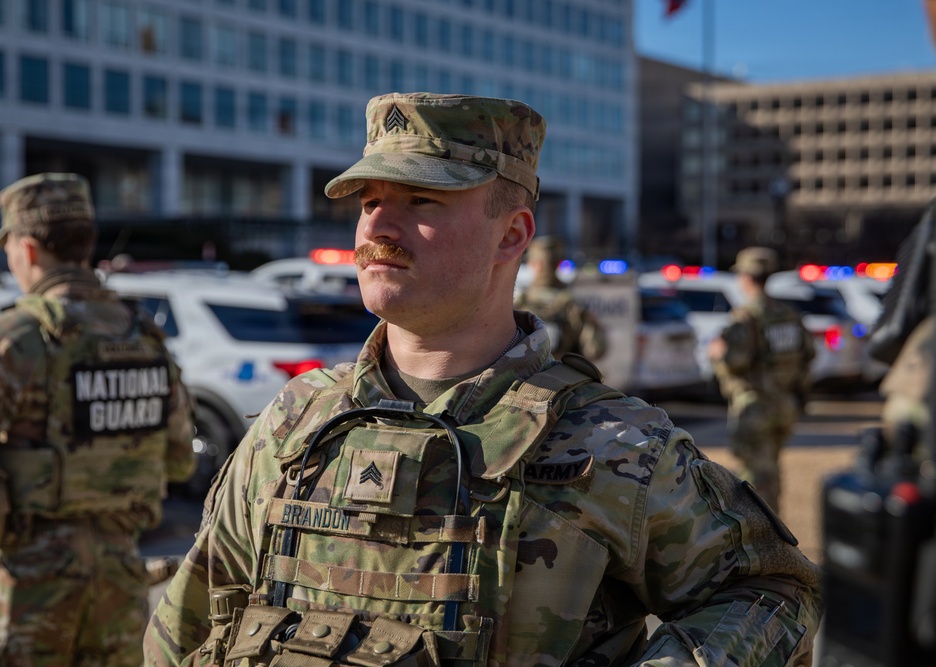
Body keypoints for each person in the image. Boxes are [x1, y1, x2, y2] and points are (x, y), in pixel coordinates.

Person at [145, 93, 823, 666]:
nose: (378, 225)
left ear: (511, 235)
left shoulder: (612, 447)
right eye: (369, 200)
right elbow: (189, 623)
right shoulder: (295, 422)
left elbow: (773, 590)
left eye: (421, 200)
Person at [0, 173, 196, 666]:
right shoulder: (144, 338)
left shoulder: (12, 340)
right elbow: (181, 461)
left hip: (29, 586)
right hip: (121, 581)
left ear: (28, 250)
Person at [708, 246, 815, 514]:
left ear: (745, 276)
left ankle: (765, 541)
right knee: (770, 470)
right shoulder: (788, 315)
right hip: (784, 404)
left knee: (753, 479)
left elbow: (735, 361)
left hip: (755, 408)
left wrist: (718, 352)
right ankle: (776, 532)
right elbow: (809, 353)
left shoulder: (746, 317)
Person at [514, 235, 607, 361]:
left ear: (534, 264)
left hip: (525, 377)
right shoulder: (572, 306)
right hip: (562, 376)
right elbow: (595, 349)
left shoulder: (519, 303)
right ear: (558, 263)